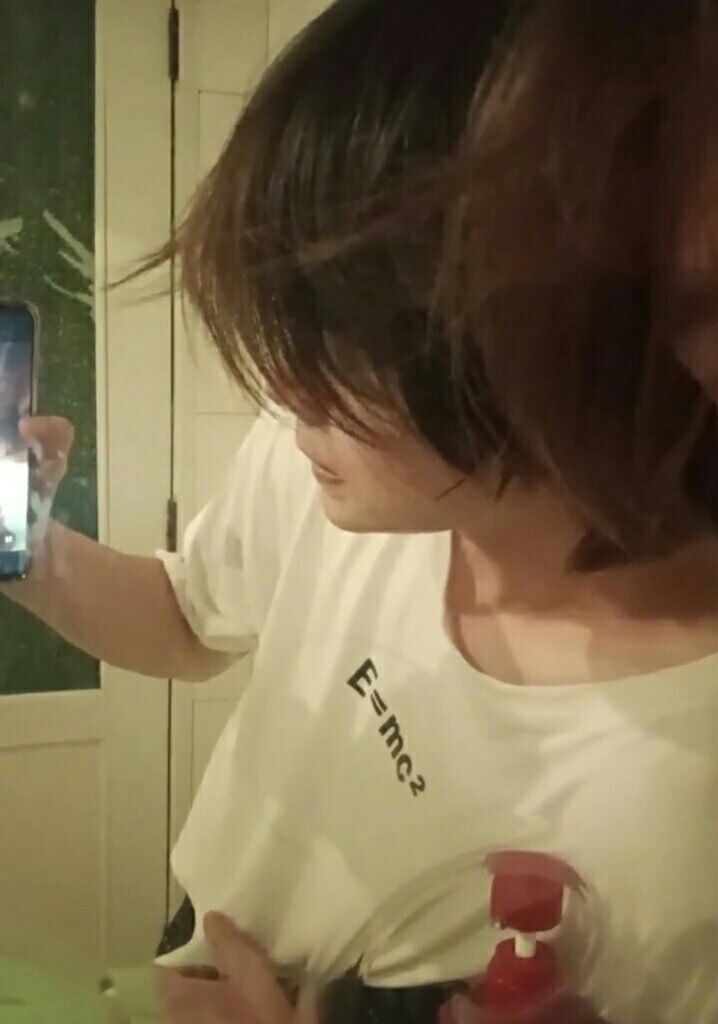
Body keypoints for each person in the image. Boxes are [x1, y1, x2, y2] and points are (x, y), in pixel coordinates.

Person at [2, 1, 718, 1021]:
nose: (283, 389)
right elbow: (185, 619)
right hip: (196, 947)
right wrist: (25, 548)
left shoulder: (688, 795)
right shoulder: (326, 474)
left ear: (544, 340)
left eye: (341, 348)